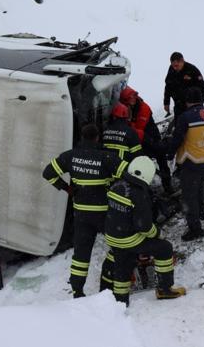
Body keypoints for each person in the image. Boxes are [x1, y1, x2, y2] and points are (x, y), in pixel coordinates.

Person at [42, 124, 128, 298]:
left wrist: (66, 188)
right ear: (97, 138)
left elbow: (48, 173)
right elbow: (130, 174)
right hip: (105, 214)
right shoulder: (106, 157)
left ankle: (77, 291)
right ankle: (111, 283)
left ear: (82, 137)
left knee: (81, 255)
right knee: (120, 247)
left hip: (81, 215)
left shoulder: (70, 156)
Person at [105, 156, 187, 306]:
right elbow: (143, 227)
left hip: (112, 236)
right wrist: (158, 234)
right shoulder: (139, 194)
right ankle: (165, 289)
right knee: (164, 248)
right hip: (129, 238)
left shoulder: (118, 185)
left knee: (123, 265)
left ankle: (120, 302)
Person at [166, 87, 204, 241]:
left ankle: (195, 228)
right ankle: (201, 211)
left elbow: (177, 138)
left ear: (188, 101)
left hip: (192, 161)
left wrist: (170, 153)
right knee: (199, 187)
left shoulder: (185, 117)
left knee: (189, 196)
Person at [119, 86, 173, 194]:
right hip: (138, 137)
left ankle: (167, 186)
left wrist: (154, 143)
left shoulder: (143, 109)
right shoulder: (122, 107)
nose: (133, 99)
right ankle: (141, 189)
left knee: (160, 155)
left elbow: (137, 131)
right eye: (130, 98)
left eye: (134, 97)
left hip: (147, 135)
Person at [163, 52, 204, 123]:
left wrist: (198, 105)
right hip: (178, 105)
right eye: (173, 65)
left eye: (177, 65)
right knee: (179, 126)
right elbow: (168, 86)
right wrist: (166, 102)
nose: (175, 68)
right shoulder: (171, 69)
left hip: (193, 105)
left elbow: (203, 89)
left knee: (195, 125)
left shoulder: (192, 69)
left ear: (182, 60)